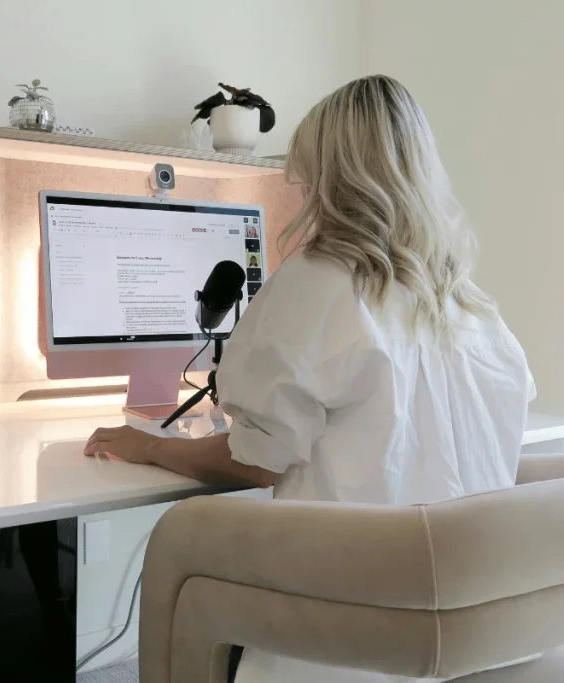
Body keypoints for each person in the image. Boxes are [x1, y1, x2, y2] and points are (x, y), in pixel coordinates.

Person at [85, 75, 535, 683]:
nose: (295, 195)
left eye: (299, 179)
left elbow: (257, 461)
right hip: (471, 636)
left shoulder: (319, 282)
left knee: (179, 543)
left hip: (352, 634)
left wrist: (152, 447)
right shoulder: (475, 309)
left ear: (330, 181)